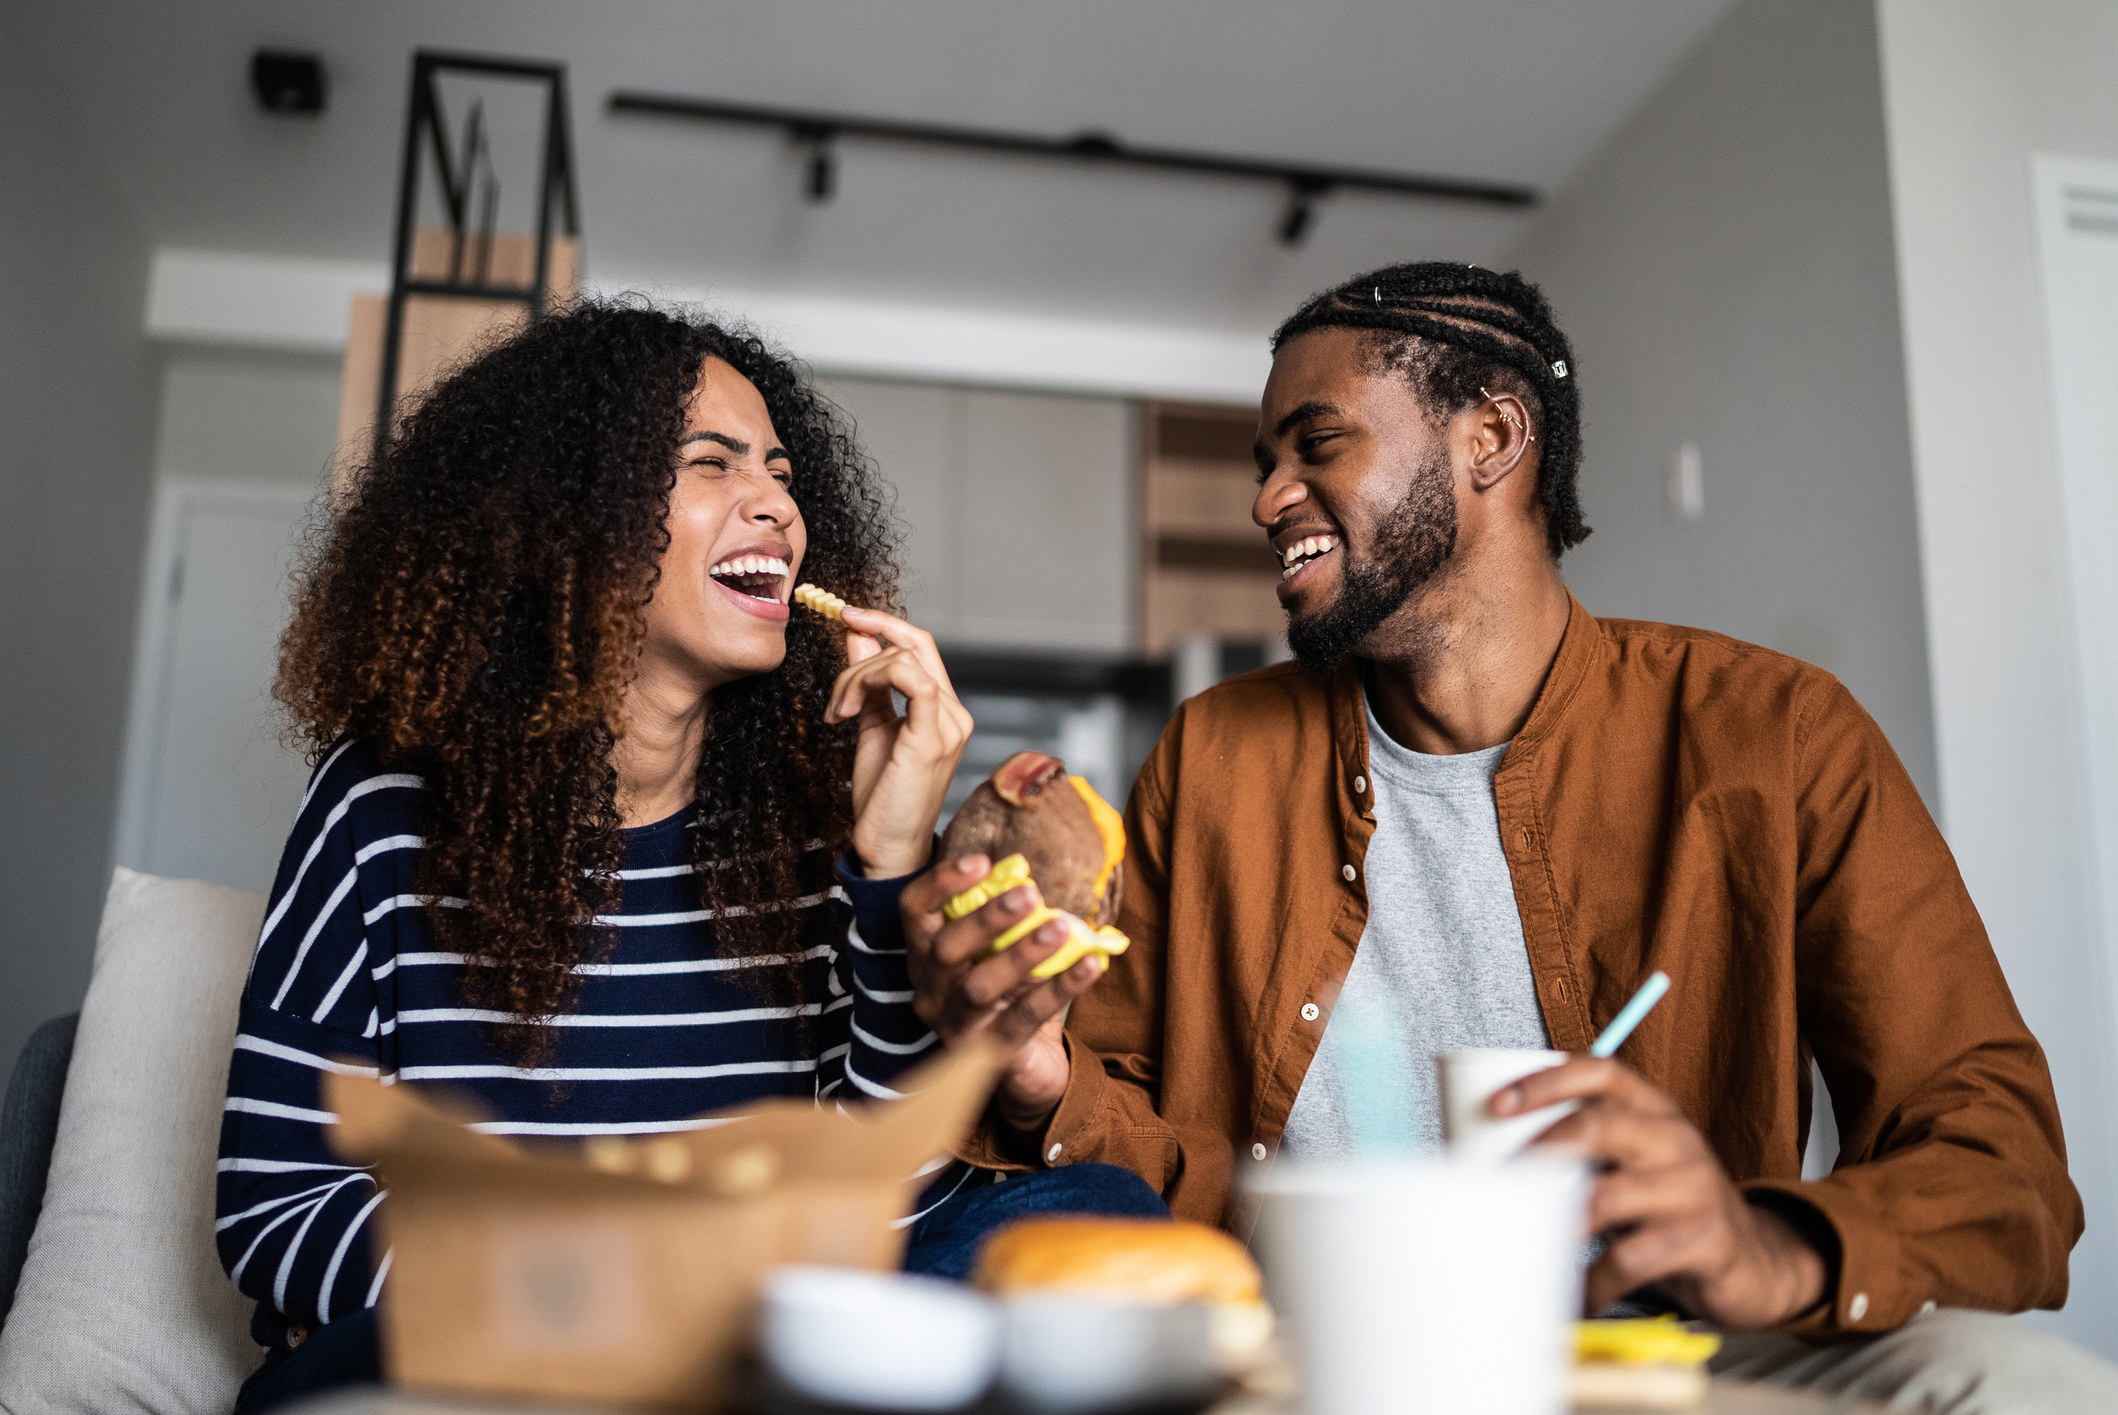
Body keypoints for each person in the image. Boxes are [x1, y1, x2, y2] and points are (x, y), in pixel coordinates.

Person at [903, 263, 2118, 1406]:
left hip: (1658, 1338)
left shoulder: (1777, 734)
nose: (1267, 499)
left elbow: (1998, 1155)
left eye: (1315, 445)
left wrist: (1772, 1245)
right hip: (1300, 1331)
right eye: (1263, 461)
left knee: (2027, 1384)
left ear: (1491, 437)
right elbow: (1127, 1151)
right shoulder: (1214, 752)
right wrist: (1039, 1065)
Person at [216, 304, 1161, 1415]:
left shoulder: (812, 824)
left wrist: (891, 855)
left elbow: (887, 1216)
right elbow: (276, 1203)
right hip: (499, 1342)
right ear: (574, 521)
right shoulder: (385, 808)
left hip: (751, 1344)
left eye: (780, 470)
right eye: (711, 463)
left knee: (1092, 1210)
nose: (777, 504)